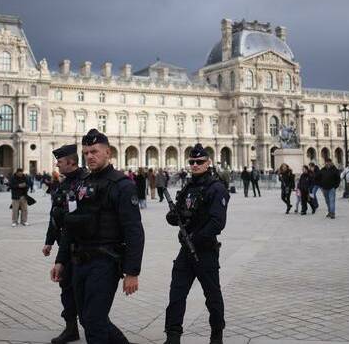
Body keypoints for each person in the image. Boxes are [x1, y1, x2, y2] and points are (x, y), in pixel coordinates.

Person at [51, 129, 144, 344]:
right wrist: (61, 260)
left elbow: (134, 231)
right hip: (79, 261)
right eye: (85, 153)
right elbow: (70, 226)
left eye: (94, 151)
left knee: (94, 322)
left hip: (105, 261)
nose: (90, 156)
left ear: (108, 152)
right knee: (87, 318)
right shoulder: (81, 184)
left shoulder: (122, 185)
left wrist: (132, 272)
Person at [165, 143, 228, 344]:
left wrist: (196, 238)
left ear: (208, 162)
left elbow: (217, 223)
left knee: (212, 296)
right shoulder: (188, 187)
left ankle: (216, 335)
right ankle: (173, 336)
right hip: (186, 250)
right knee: (176, 294)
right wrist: (174, 216)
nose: (195, 165)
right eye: (192, 162)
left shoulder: (216, 188)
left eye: (199, 162)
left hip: (205, 250)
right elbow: (180, 214)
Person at [44, 144, 85, 344]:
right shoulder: (62, 184)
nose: (57, 165)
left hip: (82, 246)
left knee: (83, 289)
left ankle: (93, 325)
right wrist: (49, 241)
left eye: (60, 161)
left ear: (70, 161)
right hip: (65, 246)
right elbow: (55, 215)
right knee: (66, 287)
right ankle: (71, 328)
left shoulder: (84, 182)